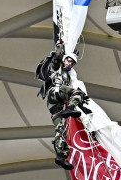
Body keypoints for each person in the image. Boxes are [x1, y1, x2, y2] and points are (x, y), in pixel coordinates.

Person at [36, 42, 90, 170]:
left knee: (61, 128)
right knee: (78, 92)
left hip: (55, 104)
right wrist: (60, 46)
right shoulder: (57, 68)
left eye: (72, 63)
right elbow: (57, 58)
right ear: (65, 59)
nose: (70, 64)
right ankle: (70, 108)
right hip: (54, 93)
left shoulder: (68, 76)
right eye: (68, 61)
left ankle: (61, 155)